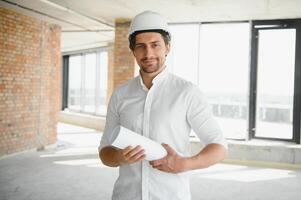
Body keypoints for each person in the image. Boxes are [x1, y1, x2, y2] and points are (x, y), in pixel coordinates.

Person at [98, 10, 228, 200]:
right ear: (133, 50)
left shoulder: (187, 92)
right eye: (141, 46)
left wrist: (184, 164)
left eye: (155, 45)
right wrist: (120, 158)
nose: (148, 53)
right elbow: (104, 152)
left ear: (167, 47)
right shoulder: (120, 95)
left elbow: (219, 147)